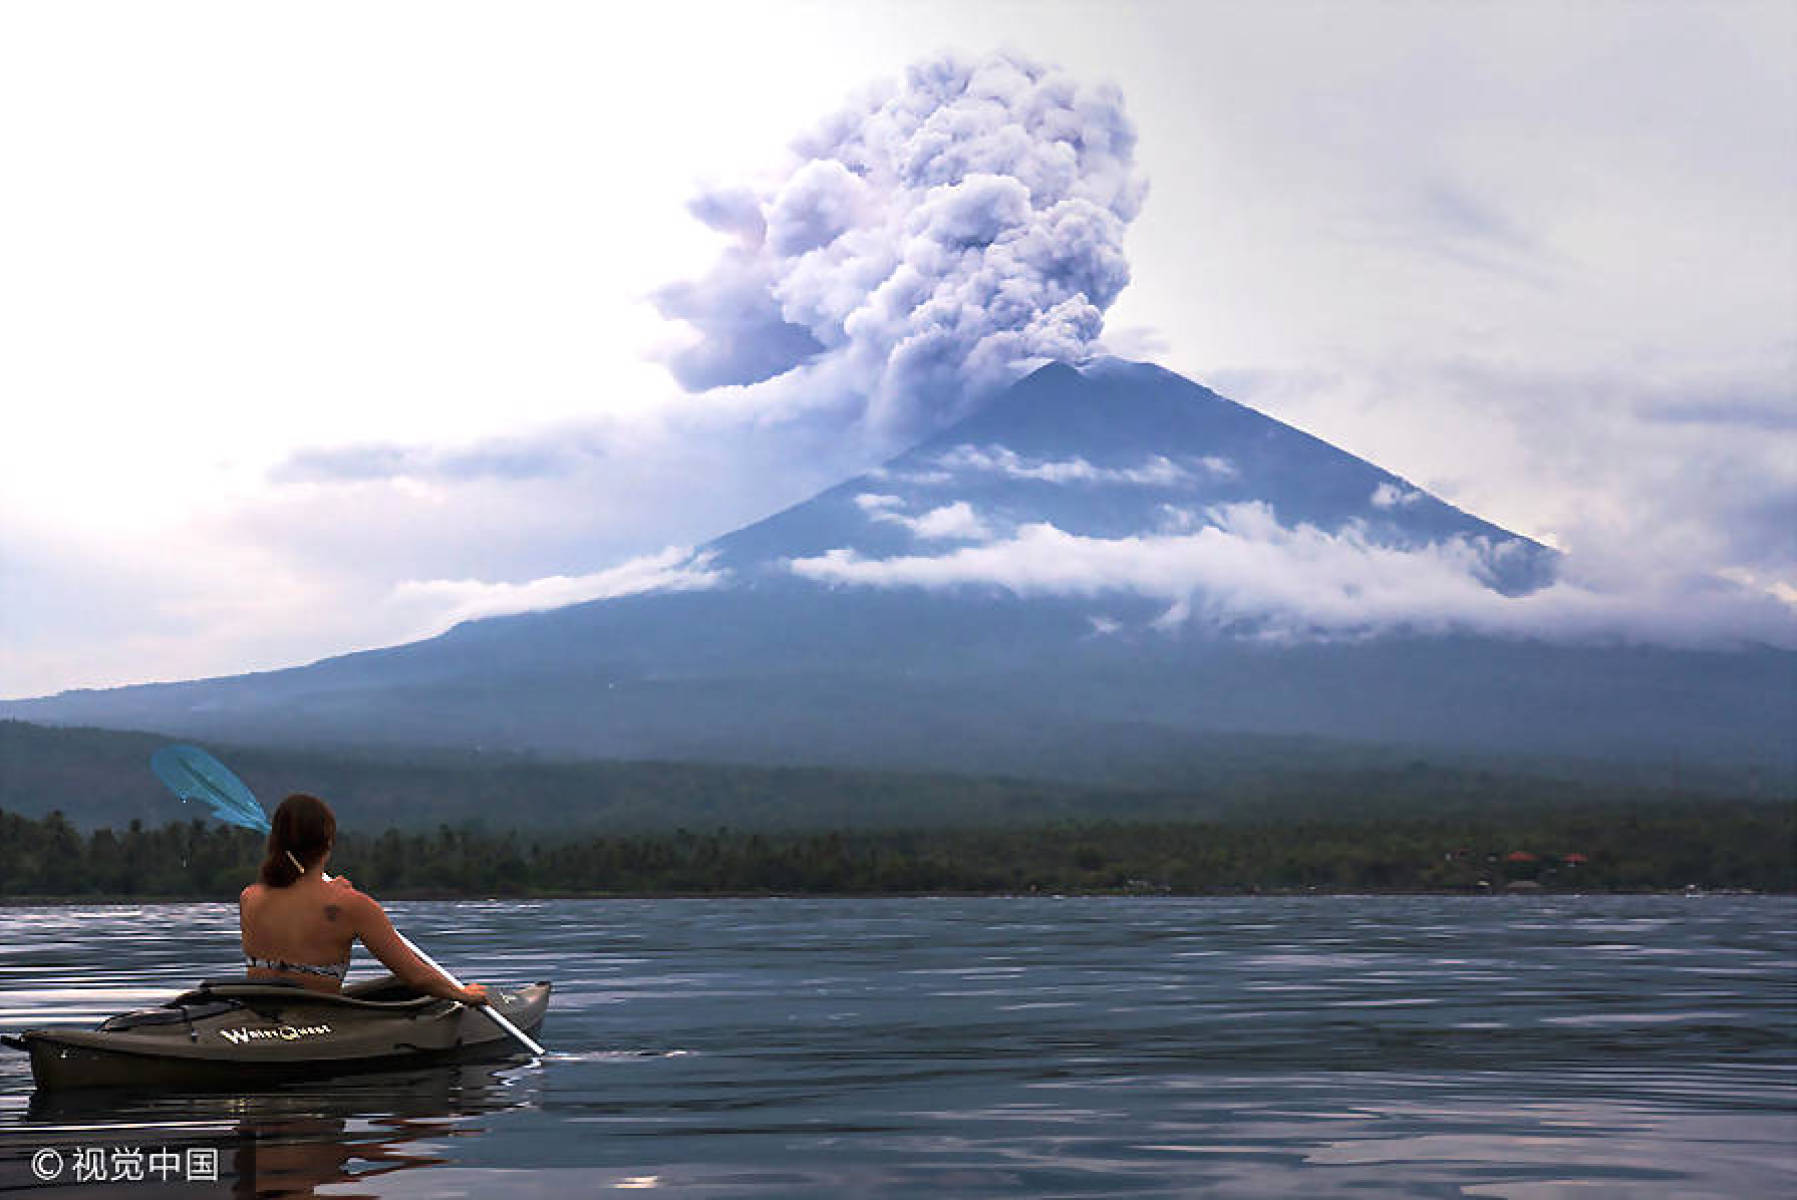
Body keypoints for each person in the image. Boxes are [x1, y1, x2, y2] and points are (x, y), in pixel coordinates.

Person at [239, 793, 487, 1005]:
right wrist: (462, 994)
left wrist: (329, 891)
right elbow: (416, 977)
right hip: (317, 1018)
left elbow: (296, 906)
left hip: (260, 1012)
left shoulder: (249, 897)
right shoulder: (351, 905)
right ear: (328, 840)